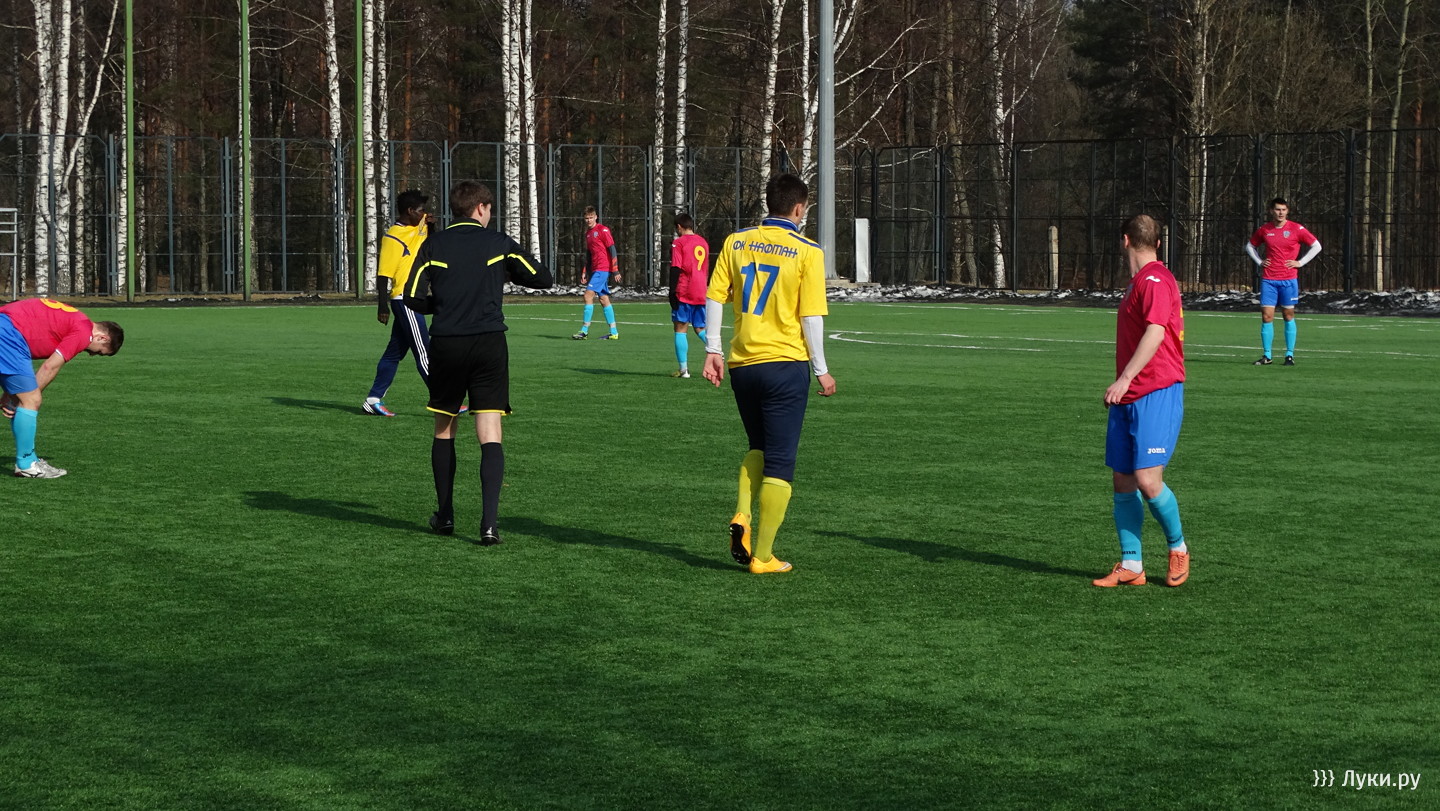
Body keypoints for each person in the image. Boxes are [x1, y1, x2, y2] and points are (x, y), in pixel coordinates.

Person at [404, 180, 553, 545]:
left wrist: (442, 305)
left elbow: (411, 296)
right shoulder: (497, 242)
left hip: (447, 343)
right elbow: (543, 278)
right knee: (489, 430)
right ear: (481, 208)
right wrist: (505, 271)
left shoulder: (434, 244)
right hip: (488, 343)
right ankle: (488, 525)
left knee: (445, 426)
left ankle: (445, 516)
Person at [702, 173, 836, 574]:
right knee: (780, 463)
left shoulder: (736, 241)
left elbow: (714, 296)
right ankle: (763, 557)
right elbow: (810, 316)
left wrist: (712, 349)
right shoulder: (807, 251)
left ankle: (743, 513)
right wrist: (822, 369)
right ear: (798, 208)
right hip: (784, 365)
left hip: (743, 365)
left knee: (758, 446)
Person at [1095, 214, 1189, 588]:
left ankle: (1178, 547)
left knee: (1148, 481)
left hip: (1156, 390)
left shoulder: (1154, 280)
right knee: (1123, 480)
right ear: (1158, 242)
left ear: (1125, 241)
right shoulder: (1140, 282)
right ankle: (1132, 563)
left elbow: (1155, 332)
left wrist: (1125, 378)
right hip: (1129, 396)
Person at [0, 298, 123, 478]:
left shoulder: (78, 321)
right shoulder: (84, 333)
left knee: (26, 399)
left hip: (7, 330)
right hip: (8, 335)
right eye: (97, 351)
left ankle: (29, 459)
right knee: (32, 399)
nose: (90, 354)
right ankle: (26, 464)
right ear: (101, 337)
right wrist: (24, 399)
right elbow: (49, 367)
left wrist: (11, 394)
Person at [364, 189, 436, 416]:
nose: (425, 214)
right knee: (424, 352)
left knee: (394, 353)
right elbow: (383, 274)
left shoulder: (421, 224)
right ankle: (444, 399)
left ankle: (373, 399)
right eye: (421, 210)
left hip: (414, 298)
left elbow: (432, 246)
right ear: (409, 211)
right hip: (404, 299)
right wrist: (382, 305)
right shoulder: (392, 237)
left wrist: (432, 226)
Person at [1246, 197, 1321, 366]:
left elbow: (1317, 246)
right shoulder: (1265, 230)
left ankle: (1289, 355)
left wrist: (1300, 262)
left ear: (1287, 211)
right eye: (1277, 209)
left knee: (1288, 315)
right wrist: (1259, 261)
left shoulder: (1296, 229)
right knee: (1267, 316)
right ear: (1271, 211)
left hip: (1288, 280)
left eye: (1283, 210)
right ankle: (1267, 355)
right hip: (1269, 280)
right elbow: (1250, 246)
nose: (1280, 213)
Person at [668, 212, 710, 378]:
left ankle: (684, 370)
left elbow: (676, 268)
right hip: (701, 290)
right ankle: (717, 350)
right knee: (699, 327)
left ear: (679, 227)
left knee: (680, 328)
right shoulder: (703, 242)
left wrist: (672, 291)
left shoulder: (679, 243)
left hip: (685, 289)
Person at [571, 206, 621, 340]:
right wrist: (585, 272)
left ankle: (584, 331)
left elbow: (612, 249)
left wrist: (615, 270)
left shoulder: (603, 230)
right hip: (595, 270)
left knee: (588, 295)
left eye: (591, 218)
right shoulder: (588, 234)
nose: (589, 220)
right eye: (586, 218)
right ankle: (614, 332)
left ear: (596, 217)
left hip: (603, 268)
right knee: (604, 299)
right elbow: (589, 255)